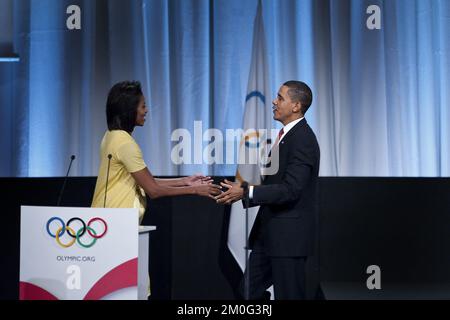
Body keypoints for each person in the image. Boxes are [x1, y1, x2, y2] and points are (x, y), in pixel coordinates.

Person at [216, 81, 320, 300]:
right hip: (270, 234)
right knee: (247, 293)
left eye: (280, 98)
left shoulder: (303, 139)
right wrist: (244, 190)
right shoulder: (287, 136)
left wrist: (246, 192)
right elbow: (278, 184)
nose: (274, 101)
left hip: (288, 239)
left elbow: (291, 190)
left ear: (296, 106)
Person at [91, 81, 221, 224]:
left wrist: (185, 181)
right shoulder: (125, 144)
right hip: (116, 220)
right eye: (143, 106)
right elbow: (153, 190)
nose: (146, 110)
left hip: (105, 217)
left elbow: (145, 182)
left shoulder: (111, 135)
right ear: (129, 109)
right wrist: (195, 190)